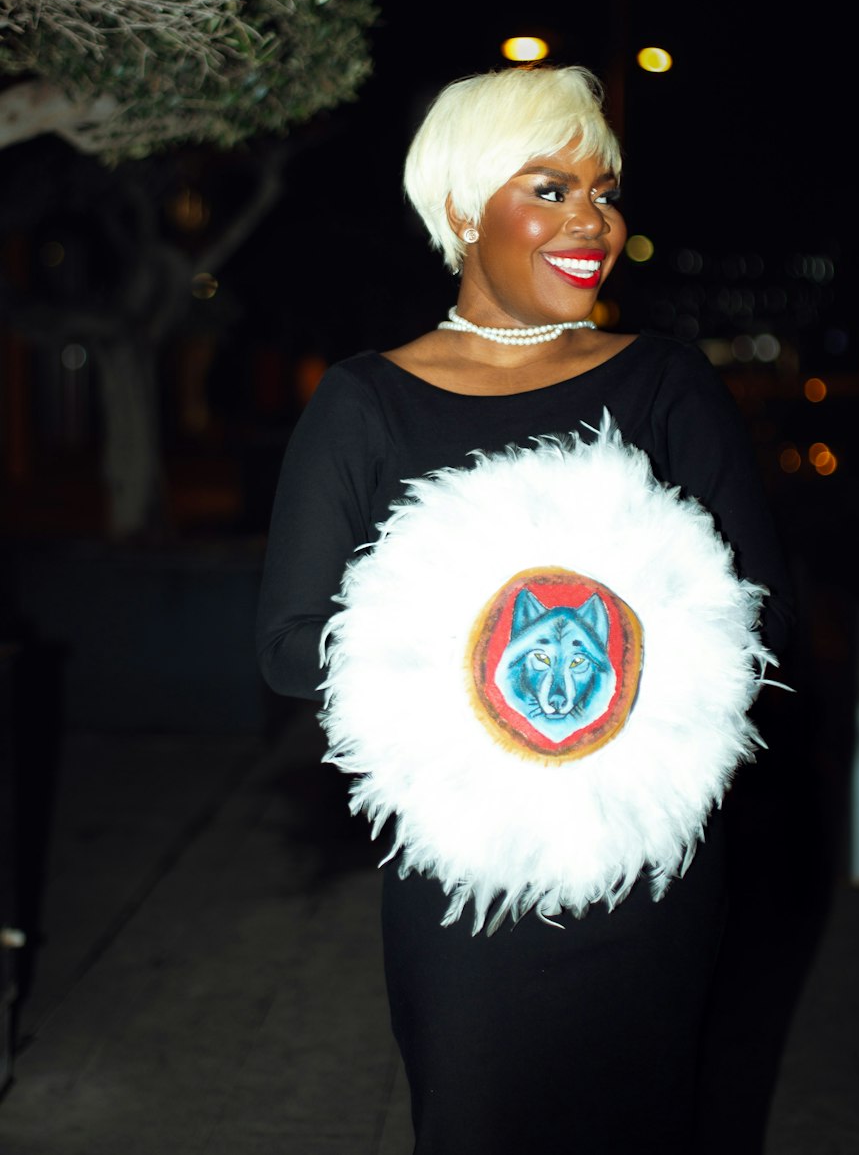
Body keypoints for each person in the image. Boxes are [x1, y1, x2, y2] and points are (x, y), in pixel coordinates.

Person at [257, 65, 793, 1154]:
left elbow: (761, 619)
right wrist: (465, 640)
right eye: (547, 188)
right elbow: (284, 646)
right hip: (465, 886)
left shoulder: (662, 381)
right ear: (461, 209)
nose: (588, 219)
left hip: (651, 869)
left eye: (602, 189)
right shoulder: (366, 399)